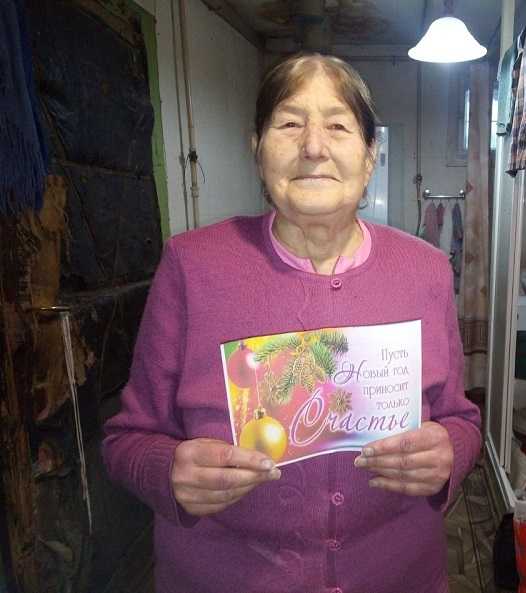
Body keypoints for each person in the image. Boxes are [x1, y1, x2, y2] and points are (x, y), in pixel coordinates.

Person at [102, 53, 482, 593]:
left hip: (399, 574)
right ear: (257, 148)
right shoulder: (192, 266)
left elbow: (460, 419)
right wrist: (167, 471)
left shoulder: (426, 270)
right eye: (288, 124)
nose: (313, 147)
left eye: (338, 126)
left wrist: (451, 452)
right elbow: (126, 440)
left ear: (370, 154)